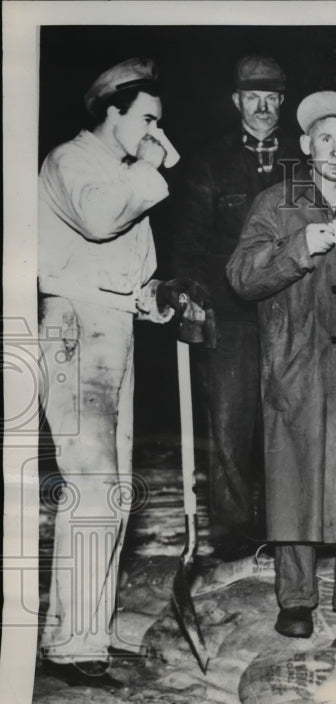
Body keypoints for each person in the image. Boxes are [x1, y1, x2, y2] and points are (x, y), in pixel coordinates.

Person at [38, 58, 207, 688]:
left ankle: (89, 629)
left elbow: (127, 272)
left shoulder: (117, 172)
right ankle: (72, 646)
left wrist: (159, 297)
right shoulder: (71, 162)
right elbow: (99, 220)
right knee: (92, 487)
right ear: (112, 111)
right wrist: (149, 166)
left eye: (159, 123)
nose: (157, 135)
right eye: (147, 120)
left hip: (114, 329)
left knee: (113, 491)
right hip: (75, 329)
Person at [226, 91, 336, 646]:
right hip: (297, 365)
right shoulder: (275, 203)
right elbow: (241, 277)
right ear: (305, 145)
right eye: (324, 138)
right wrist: (299, 246)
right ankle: (296, 600)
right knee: (295, 480)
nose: (335, 149)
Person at [172, 55, 301, 556]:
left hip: (291, 313)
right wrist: (197, 303)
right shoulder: (209, 163)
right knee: (229, 426)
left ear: (282, 102)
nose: (263, 107)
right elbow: (189, 246)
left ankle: (287, 532)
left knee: (288, 421)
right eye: (253, 97)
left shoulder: (302, 157)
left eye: (271, 97)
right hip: (231, 315)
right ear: (237, 101)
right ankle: (232, 541)